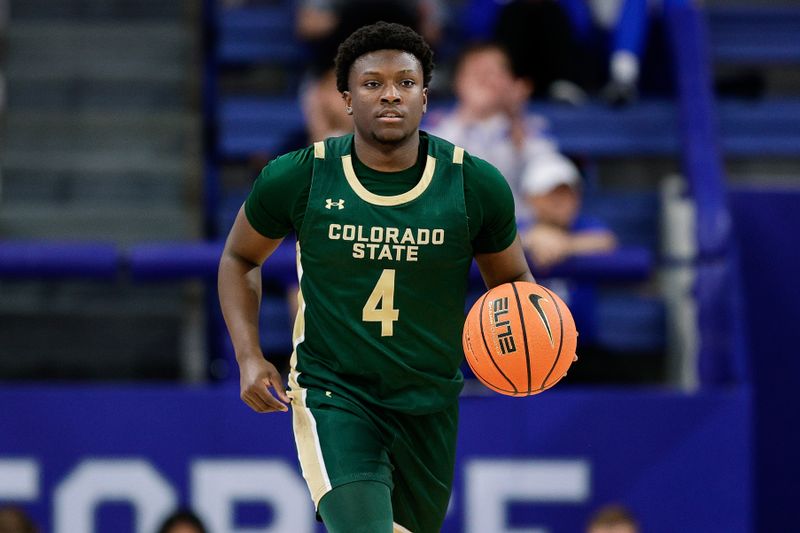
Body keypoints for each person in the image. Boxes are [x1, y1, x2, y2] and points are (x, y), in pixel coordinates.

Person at [218, 21, 534, 533]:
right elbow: (238, 258)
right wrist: (249, 355)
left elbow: (514, 285)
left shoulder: (474, 184)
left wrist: (528, 343)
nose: (390, 95)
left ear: (425, 98)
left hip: (428, 401)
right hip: (336, 392)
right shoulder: (301, 175)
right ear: (346, 98)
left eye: (405, 83)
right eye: (372, 84)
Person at [426, 41, 564, 224]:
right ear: (459, 81)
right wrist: (468, 113)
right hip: (452, 230)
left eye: (493, 72)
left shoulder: (532, 128)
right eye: (476, 73)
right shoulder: (436, 126)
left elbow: (553, 182)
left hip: (518, 231)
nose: (484, 80)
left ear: (511, 81)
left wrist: (516, 120)